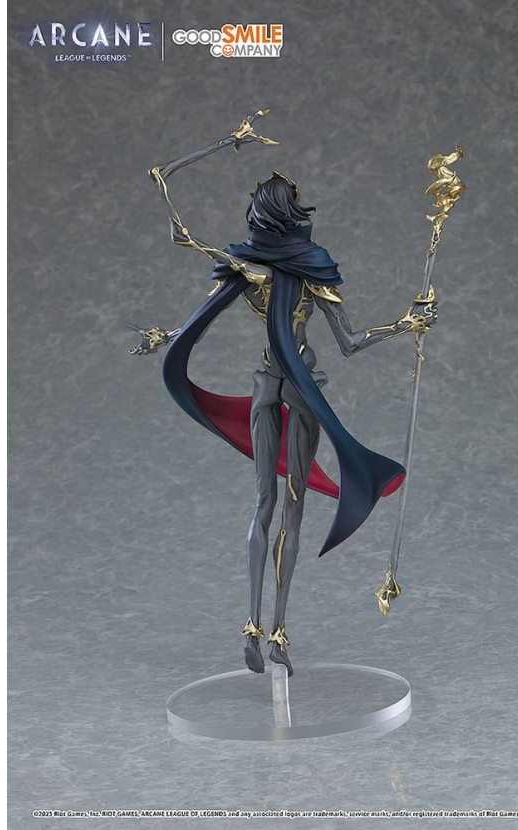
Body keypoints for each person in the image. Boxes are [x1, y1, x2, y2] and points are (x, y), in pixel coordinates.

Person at [130, 114, 437, 676]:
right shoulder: (311, 270)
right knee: (291, 508)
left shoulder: (245, 268)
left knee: (264, 503)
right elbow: (349, 343)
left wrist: (165, 337)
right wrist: (406, 325)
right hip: (298, 390)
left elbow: (195, 309)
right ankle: (275, 632)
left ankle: (252, 625)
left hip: (264, 387)